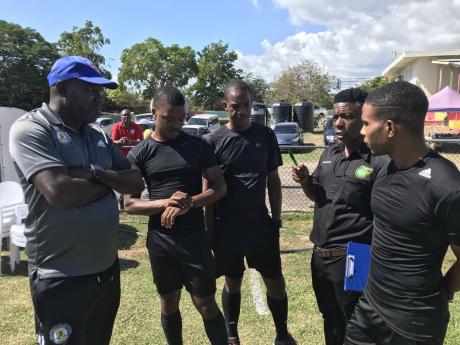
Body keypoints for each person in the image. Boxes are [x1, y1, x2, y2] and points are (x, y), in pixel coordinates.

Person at [8, 56, 145, 345]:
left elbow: (135, 182)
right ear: (61, 88)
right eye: (90, 90)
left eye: (101, 91)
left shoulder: (98, 135)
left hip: (106, 272)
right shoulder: (32, 129)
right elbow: (60, 193)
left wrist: (94, 173)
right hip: (60, 276)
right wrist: (110, 182)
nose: (99, 98)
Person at [344, 81, 460, 345]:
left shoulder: (446, 186)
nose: (362, 132)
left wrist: (443, 290)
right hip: (369, 308)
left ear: (389, 128)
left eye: (366, 123)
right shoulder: (385, 168)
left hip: (414, 325)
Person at [124, 86, 229, 345]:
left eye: (181, 119)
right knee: (169, 300)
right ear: (153, 114)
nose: (176, 124)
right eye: (168, 119)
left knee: (204, 302)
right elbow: (130, 204)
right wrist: (165, 202)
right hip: (160, 240)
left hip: (194, 237)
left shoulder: (197, 145)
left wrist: (190, 203)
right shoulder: (139, 153)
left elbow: (220, 187)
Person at [204, 80, 297, 345]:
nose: (242, 111)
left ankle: (281, 332)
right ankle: (232, 335)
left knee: (275, 281)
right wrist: (209, 232)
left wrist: (276, 219)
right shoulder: (212, 141)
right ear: (225, 107)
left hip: (260, 226)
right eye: (235, 106)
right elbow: (208, 189)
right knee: (232, 281)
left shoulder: (265, 135)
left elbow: (273, 180)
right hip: (227, 228)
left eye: (246, 105)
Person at [291, 88, 386, 345]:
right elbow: (317, 197)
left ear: (364, 119)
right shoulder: (329, 154)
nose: (338, 123)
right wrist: (305, 181)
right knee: (330, 318)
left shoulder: (377, 161)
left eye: (346, 117)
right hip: (320, 256)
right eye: (335, 117)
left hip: (355, 256)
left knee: (355, 322)